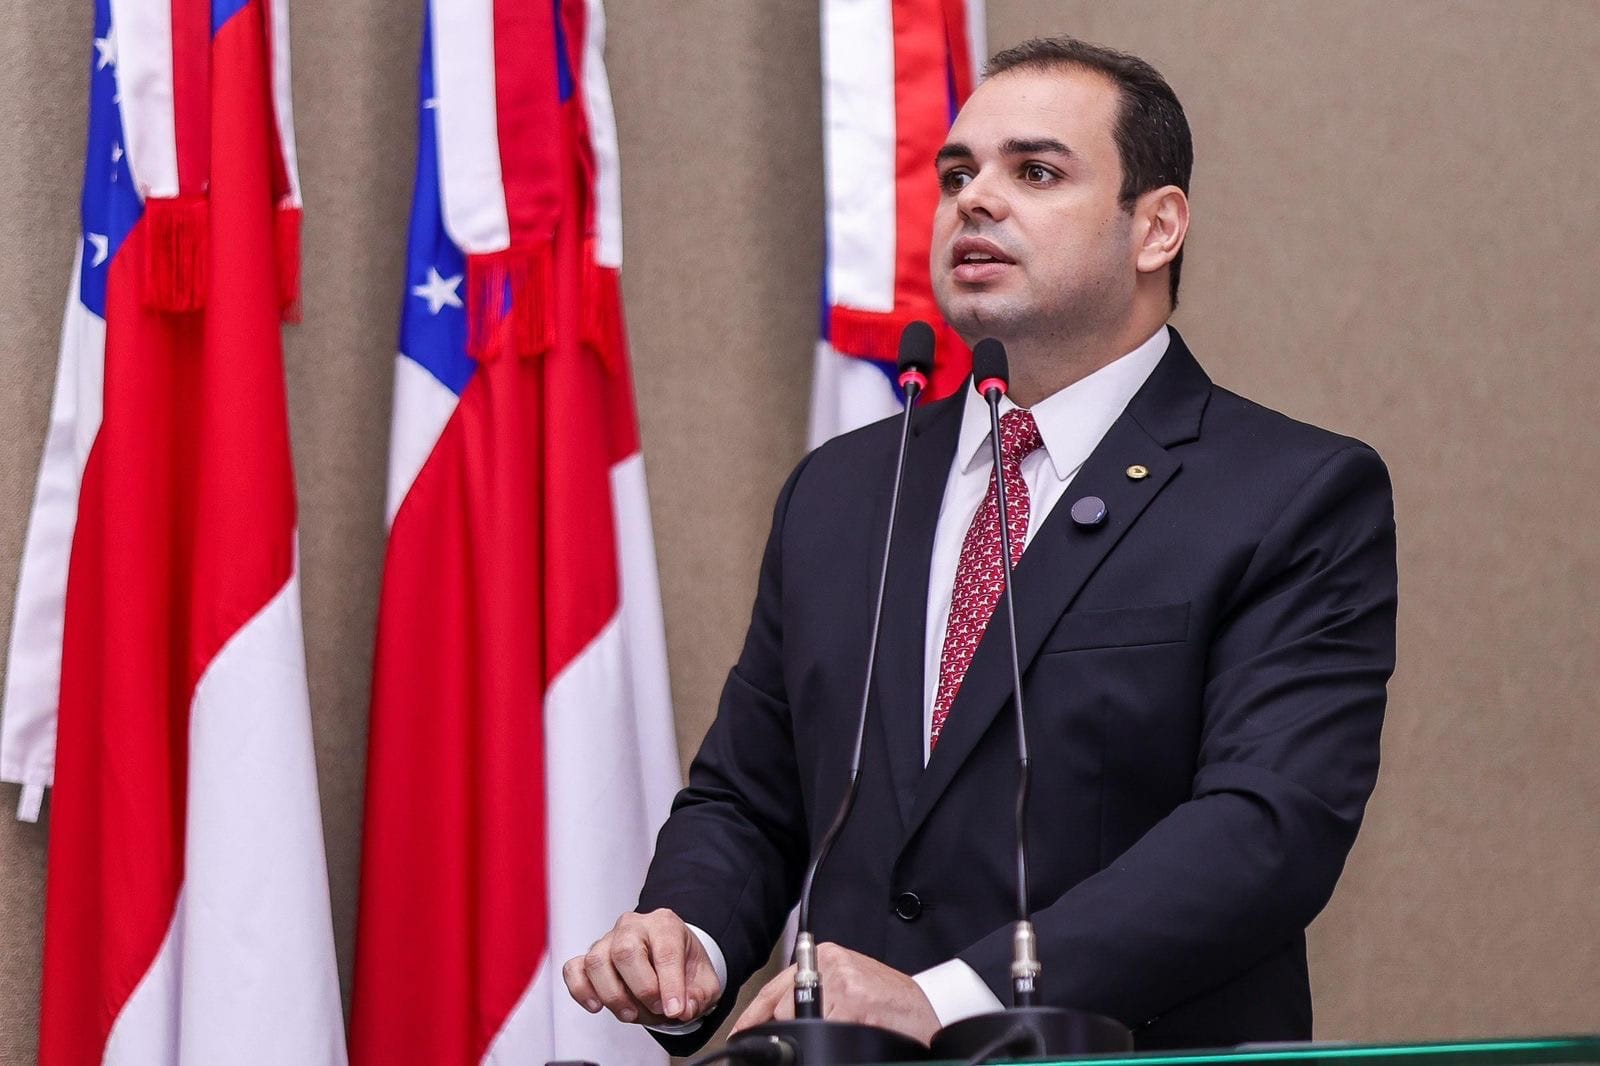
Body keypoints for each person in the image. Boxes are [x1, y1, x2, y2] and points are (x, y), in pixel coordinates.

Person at [563, 36, 1397, 1054]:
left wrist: (950, 996)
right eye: (956, 174)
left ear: (1157, 227)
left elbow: (1266, 830)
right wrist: (687, 934)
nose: (974, 200)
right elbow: (752, 794)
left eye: (1034, 172)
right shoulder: (840, 490)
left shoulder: (1288, 494)